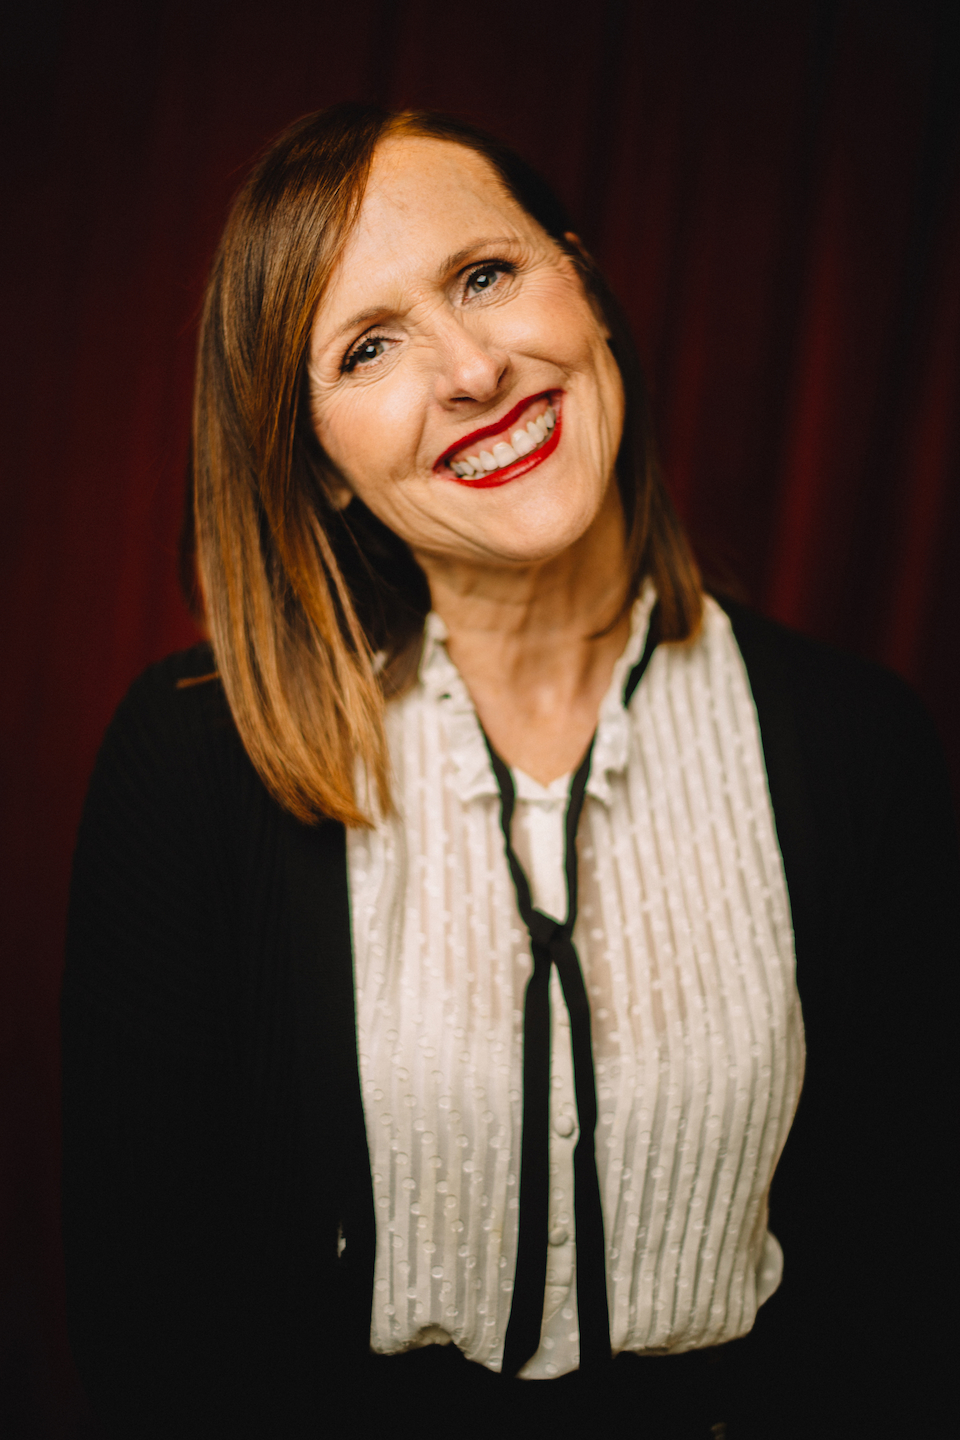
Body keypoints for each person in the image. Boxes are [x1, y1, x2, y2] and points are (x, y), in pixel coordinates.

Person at [61, 104, 957, 1440]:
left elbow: (901, 1291)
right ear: (323, 465)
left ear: (582, 288)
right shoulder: (195, 759)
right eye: (370, 347)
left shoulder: (860, 746)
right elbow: (153, 1329)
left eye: (486, 275)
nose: (473, 368)